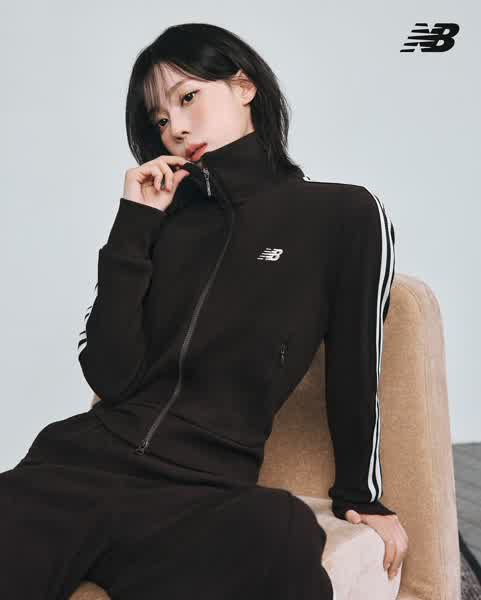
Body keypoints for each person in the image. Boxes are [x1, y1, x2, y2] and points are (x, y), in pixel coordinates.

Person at [0, 22, 407, 599]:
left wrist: (362, 496)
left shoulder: (343, 215)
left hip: (199, 491)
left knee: (281, 536)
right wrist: (134, 225)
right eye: (159, 120)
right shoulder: (160, 225)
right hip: (73, 471)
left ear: (244, 86)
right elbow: (110, 376)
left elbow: (357, 364)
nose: (176, 128)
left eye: (188, 97)